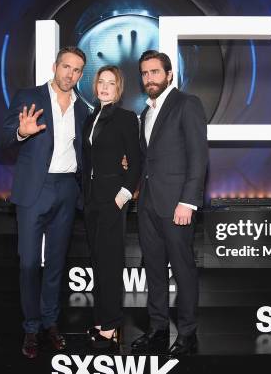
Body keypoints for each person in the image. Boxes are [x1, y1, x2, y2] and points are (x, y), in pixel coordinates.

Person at [0, 46, 89, 359]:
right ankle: (31, 327)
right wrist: (21, 133)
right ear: (55, 66)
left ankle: (50, 323)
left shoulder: (82, 108)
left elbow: (88, 153)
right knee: (28, 263)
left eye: (77, 70)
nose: (70, 74)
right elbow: (4, 137)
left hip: (67, 189)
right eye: (66, 67)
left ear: (81, 74)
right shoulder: (28, 96)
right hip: (34, 190)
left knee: (55, 263)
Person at [131, 50, 208, 357]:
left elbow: (198, 157)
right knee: (154, 270)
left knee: (183, 270)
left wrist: (188, 202)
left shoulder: (186, 104)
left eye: (155, 72)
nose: (149, 78)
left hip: (177, 205)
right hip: (148, 205)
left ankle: (188, 334)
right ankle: (158, 329)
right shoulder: (144, 112)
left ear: (169, 74)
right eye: (145, 73)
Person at [82, 65, 140, 349]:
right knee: (97, 262)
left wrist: (124, 194)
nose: (105, 87)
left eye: (111, 83)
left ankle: (111, 326)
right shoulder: (91, 117)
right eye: (101, 82)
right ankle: (101, 319)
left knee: (110, 263)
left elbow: (136, 161)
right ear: (95, 86)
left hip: (113, 199)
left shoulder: (126, 118)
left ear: (119, 89)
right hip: (91, 200)